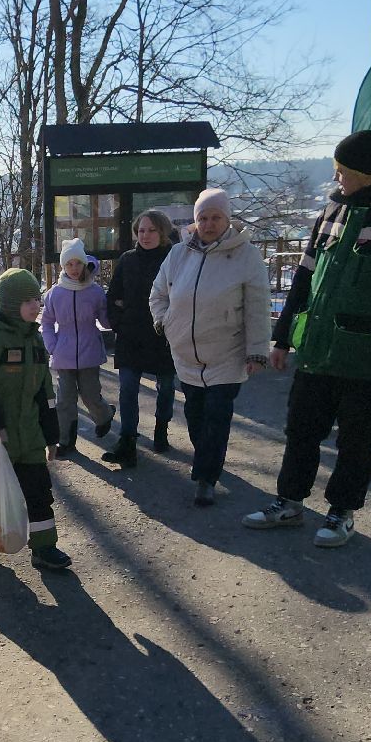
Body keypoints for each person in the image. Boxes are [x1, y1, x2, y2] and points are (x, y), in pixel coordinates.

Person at [244, 129, 371, 548]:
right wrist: (282, 339)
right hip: (320, 352)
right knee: (300, 430)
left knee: (356, 441)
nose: (336, 179)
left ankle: (342, 512)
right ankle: (289, 501)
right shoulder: (332, 213)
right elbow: (303, 279)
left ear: (368, 174)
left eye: (343, 172)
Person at [149, 189, 270, 507]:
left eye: (215, 217)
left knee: (217, 415)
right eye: (203, 217)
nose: (209, 223)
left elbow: (258, 307)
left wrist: (257, 350)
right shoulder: (178, 254)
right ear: (195, 220)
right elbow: (158, 293)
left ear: (227, 219)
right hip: (186, 354)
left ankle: (205, 478)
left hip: (226, 354)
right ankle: (207, 461)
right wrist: (165, 322)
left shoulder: (246, 256)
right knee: (195, 413)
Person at [0, 268, 72, 573]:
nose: (36, 306)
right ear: (10, 304)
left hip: (31, 435)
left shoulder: (34, 339)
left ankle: (44, 547)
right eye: (28, 301)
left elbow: (45, 392)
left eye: (37, 299)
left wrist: (52, 436)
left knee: (38, 491)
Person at [103, 210, 178, 467]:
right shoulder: (127, 259)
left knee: (166, 388)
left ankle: (161, 427)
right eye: (141, 230)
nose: (145, 235)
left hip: (163, 336)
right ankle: (127, 441)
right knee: (127, 389)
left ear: (163, 232)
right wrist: (118, 323)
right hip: (131, 335)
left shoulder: (173, 258)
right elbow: (113, 296)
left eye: (151, 230)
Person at [39, 237, 114, 458]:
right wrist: (52, 345)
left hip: (89, 353)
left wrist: (116, 314)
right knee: (64, 400)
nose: (74, 269)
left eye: (78, 263)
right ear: (63, 266)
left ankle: (105, 416)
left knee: (91, 394)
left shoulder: (95, 291)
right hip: (63, 355)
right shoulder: (55, 293)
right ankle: (66, 441)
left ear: (84, 263)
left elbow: (105, 320)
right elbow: (46, 322)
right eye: (69, 264)